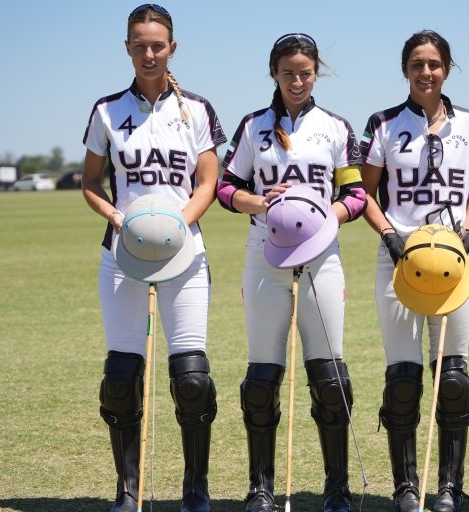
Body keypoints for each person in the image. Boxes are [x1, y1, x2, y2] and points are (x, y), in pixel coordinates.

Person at [81, 4, 226, 512]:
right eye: (140, 45)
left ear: (172, 48)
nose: (149, 54)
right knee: (121, 380)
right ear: (127, 48)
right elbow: (91, 183)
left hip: (186, 256)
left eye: (157, 45)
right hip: (122, 255)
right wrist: (120, 220)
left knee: (192, 379)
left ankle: (195, 489)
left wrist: (176, 226)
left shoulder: (197, 110)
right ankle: (128, 489)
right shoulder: (106, 110)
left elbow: (208, 182)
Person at [216, 32, 365, 512]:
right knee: (261, 379)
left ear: (316, 73)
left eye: (304, 73)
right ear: (274, 74)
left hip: (322, 257)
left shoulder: (336, 127)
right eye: (287, 74)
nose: (297, 82)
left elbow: (356, 195)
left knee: (330, 378)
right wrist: (260, 203)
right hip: (265, 253)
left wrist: (322, 217)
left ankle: (336, 488)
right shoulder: (253, 126)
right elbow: (225, 188)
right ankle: (260, 487)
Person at [359, 30, 469, 512]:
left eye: (434, 64)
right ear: (405, 70)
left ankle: (449, 487)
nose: (426, 72)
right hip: (400, 260)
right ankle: (405, 486)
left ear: (447, 69)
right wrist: (390, 237)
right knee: (403, 380)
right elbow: (364, 193)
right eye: (417, 64)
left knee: (453, 379)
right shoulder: (383, 123)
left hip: (453, 263)